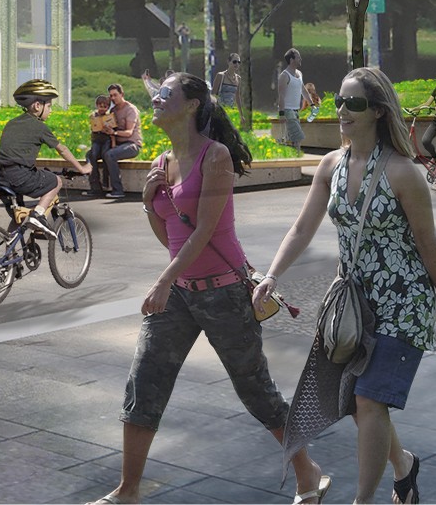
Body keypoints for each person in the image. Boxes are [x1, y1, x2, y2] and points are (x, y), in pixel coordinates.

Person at [86, 75, 330, 505]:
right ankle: (128, 491)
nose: (157, 99)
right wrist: (148, 202)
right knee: (144, 383)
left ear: (193, 104)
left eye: (166, 93)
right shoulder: (162, 160)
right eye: (157, 92)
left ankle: (307, 471)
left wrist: (162, 281)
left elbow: (204, 232)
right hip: (179, 293)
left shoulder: (214, 157)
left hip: (225, 292)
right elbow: (173, 238)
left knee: (256, 390)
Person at [254, 67, 436, 505]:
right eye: (339, 102)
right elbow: (301, 227)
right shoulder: (331, 165)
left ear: (377, 111)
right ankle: (403, 466)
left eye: (353, 104)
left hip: (404, 302)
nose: (342, 112)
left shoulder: (404, 172)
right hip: (354, 303)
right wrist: (272, 274)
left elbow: (429, 245)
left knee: (369, 401)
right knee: (359, 401)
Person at [0, 77, 88, 236]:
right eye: (49, 106)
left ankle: (9, 254)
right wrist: (82, 168)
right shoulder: (39, 126)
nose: (51, 110)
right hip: (19, 176)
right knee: (55, 181)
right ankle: (38, 215)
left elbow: (14, 153)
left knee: (19, 218)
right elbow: (62, 150)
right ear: (37, 106)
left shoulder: (11, 123)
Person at [103, 83, 143, 200]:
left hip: (132, 144)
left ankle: (118, 190)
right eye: (111, 96)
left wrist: (114, 133)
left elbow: (129, 132)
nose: (113, 98)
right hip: (118, 143)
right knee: (94, 153)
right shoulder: (113, 110)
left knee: (110, 155)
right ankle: (99, 186)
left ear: (122, 94)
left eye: (115, 95)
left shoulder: (131, 110)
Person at [277, 49, 308, 149]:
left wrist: (311, 103)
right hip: (288, 110)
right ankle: (297, 159)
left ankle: (295, 160)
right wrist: (281, 114)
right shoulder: (284, 76)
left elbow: (303, 89)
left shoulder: (299, 74)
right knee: (297, 136)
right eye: (298, 57)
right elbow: (281, 96)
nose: (301, 59)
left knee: (293, 139)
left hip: (296, 110)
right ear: (291, 60)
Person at [87, 95, 115, 193]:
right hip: (96, 140)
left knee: (105, 156)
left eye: (105, 107)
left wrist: (108, 128)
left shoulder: (108, 116)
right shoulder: (93, 115)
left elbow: (112, 128)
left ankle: (105, 182)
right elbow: (93, 126)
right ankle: (95, 183)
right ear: (97, 106)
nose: (102, 109)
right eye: (100, 106)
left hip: (106, 140)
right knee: (93, 155)